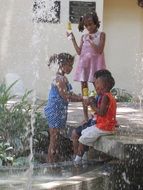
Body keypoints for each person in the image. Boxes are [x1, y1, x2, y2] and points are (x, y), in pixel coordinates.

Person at [44, 53, 83, 163]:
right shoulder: (59, 79)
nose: (71, 68)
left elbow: (69, 93)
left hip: (59, 109)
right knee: (54, 138)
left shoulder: (62, 78)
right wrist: (82, 99)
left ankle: (53, 159)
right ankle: (50, 162)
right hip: (55, 110)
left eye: (71, 65)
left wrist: (79, 97)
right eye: (69, 65)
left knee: (55, 137)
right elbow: (66, 96)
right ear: (61, 65)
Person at [68, 11, 106, 122]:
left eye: (91, 24)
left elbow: (99, 50)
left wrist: (91, 41)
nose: (89, 27)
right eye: (86, 25)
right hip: (84, 67)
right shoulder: (83, 37)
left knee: (100, 91)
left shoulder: (101, 35)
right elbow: (79, 52)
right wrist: (73, 39)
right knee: (84, 93)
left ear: (96, 23)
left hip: (96, 67)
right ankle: (85, 117)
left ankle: (102, 114)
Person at [74, 73, 117, 165]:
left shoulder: (106, 97)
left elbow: (101, 112)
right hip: (103, 126)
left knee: (82, 138)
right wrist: (93, 102)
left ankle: (77, 160)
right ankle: (84, 157)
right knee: (84, 132)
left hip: (104, 127)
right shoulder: (107, 96)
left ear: (103, 87)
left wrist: (92, 104)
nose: (95, 86)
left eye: (97, 84)